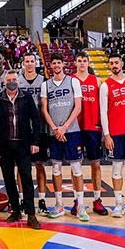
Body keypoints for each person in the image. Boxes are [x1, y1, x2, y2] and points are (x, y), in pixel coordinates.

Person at [0, 69, 43, 229]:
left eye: (14, 79)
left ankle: (31, 215)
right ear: (4, 82)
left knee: (26, 179)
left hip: (23, 145)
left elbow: (36, 120)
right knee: (9, 180)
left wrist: (36, 142)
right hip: (4, 146)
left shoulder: (26, 97)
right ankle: (16, 211)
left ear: (18, 81)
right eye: (9, 79)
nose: (11, 81)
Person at [40, 57, 85, 220]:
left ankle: (80, 205)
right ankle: (59, 205)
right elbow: (44, 110)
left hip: (72, 131)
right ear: (50, 66)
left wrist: (65, 127)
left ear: (63, 65)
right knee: (56, 169)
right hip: (54, 133)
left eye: (59, 63)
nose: (56, 65)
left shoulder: (73, 82)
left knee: (76, 169)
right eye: (54, 63)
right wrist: (55, 128)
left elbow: (78, 107)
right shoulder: (46, 85)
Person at [99, 53, 125, 218]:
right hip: (116, 133)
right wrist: (107, 135)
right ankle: (118, 203)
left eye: (117, 62)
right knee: (116, 169)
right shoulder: (105, 85)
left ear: (122, 63)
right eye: (111, 63)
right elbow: (103, 111)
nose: (114, 65)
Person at [73, 52, 109, 215]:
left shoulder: (98, 81)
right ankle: (77, 200)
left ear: (88, 63)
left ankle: (97, 199)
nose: (82, 63)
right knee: (76, 165)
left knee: (95, 164)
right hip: (76, 127)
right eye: (79, 61)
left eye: (84, 61)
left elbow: (104, 107)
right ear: (75, 63)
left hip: (93, 127)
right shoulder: (71, 80)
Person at [17, 52, 50, 214]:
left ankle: (42, 199)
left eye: (32, 61)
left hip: (39, 129)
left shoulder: (43, 81)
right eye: (27, 61)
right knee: (21, 167)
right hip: (21, 130)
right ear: (23, 63)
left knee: (39, 165)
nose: (29, 64)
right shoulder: (17, 80)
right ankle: (23, 199)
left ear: (36, 63)